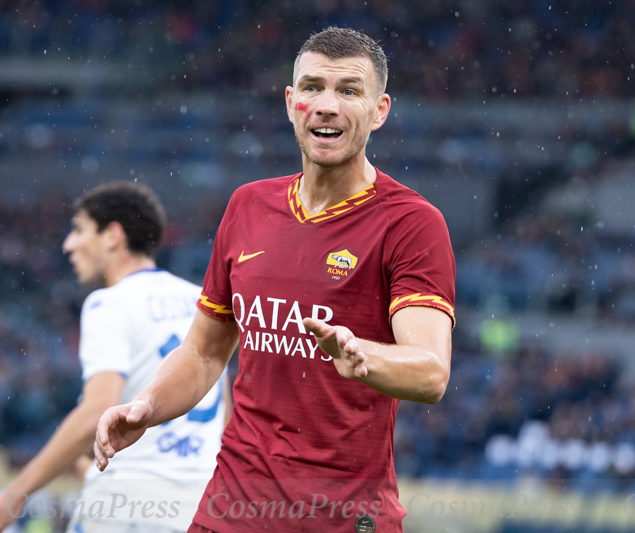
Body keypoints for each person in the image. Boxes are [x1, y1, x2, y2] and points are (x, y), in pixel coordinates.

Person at [94, 27, 456, 533]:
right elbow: (204, 353)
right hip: (232, 506)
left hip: (341, 515)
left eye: (349, 91)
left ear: (380, 110)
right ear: (290, 103)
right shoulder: (249, 205)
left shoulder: (411, 222)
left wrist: (362, 355)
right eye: (312, 88)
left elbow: (432, 372)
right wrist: (147, 406)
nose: (326, 105)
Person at [0, 182, 229, 533]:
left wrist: (14, 495)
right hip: (195, 507)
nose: (69, 244)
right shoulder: (201, 299)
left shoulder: (109, 303)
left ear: (113, 235)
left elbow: (96, 411)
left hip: (123, 506)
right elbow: (223, 408)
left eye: (78, 229)